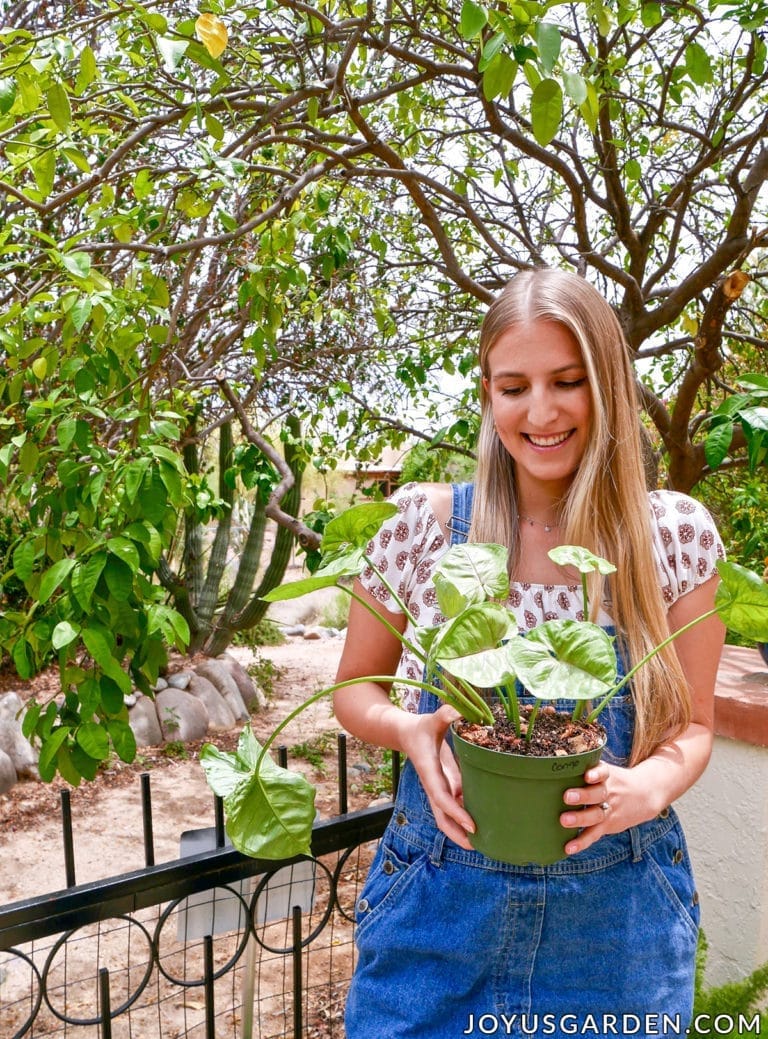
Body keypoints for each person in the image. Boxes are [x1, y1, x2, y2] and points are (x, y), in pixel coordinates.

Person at [333, 267, 725, 1038]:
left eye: (567, 381)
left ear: (607, 385)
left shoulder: (669, 538)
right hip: (439, 919)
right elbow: (355, 690)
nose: (540, 411)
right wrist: (408, 729)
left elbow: (696, 727)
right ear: (487, 394)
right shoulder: (423, 525)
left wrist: (648, 784)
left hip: (619, 935)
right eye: (514, 387)